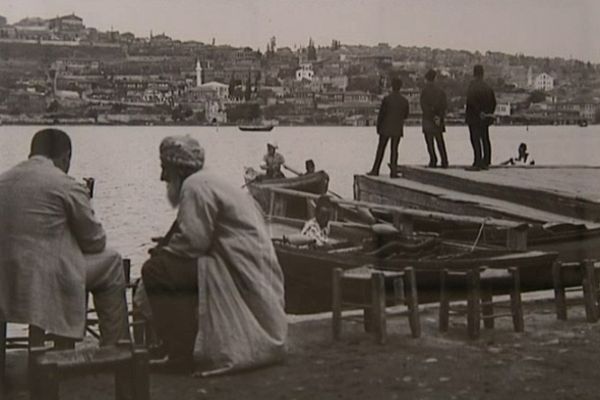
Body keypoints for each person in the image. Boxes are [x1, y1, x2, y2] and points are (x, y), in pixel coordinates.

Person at [141, 135, 286, 374]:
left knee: (155, 271)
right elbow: (185, 229)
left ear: (177, 170)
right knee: (167, 264)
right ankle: (179, 344)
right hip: (253, 268)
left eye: (164, 169)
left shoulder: (194, 186)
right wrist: (167, 247)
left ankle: (179, 353)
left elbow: (193, 242)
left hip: (239, 271)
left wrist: (162, 253)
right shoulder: (208, 180)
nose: (162, 177)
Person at [0, 128, 129, 345]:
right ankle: (116, 347)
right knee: (113, 263)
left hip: (6, 275)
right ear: (65, 156)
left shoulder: (4, 181)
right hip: (46, 278)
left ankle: (34, 347)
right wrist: (86, 204)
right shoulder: (66, 185)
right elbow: (95, 242)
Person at [367, 77, 409, 178]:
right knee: (394, 150)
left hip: (385, 128)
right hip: (397, 128)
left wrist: (378, 127)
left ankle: (375, 170)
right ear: (400, 87)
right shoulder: (404, 101)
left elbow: (381, 115)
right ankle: (393, 172)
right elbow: (406, 115)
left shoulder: (386, 99)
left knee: (381, 149)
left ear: (392, 87)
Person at [466, 65, 496, 170]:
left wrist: (479, 112)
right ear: (483, 74)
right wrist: (488, 113)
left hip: (474, 117)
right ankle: (487, 160)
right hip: (485, 118)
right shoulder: (488, 87)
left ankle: (477, 161)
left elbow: (471, 101)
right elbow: (493, 102)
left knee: (475, 139)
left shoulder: (472, 86)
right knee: (485, 138)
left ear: (474, 73)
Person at [420, 69, 449, 168]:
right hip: (438, 119)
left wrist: (431, 115)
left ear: (426, 79)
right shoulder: (440, 91)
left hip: (428, 120)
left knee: (430, 142)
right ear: (435, 78)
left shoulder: (424, 91)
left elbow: (423, 106)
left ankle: (433, 160)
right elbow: (444, 105)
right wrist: (438, 116)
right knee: (440, 141)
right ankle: (444, 160)